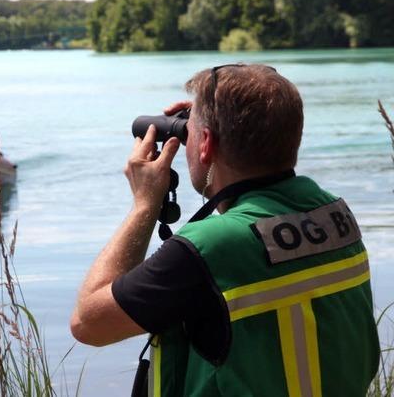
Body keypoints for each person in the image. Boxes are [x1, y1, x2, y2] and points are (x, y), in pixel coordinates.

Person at [70, 64, 379, 396]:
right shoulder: (334, 214)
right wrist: (215, 125)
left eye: (192, 132)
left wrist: (145, 205)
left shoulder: (210, 248)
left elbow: (89, 323)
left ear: (204, 143)